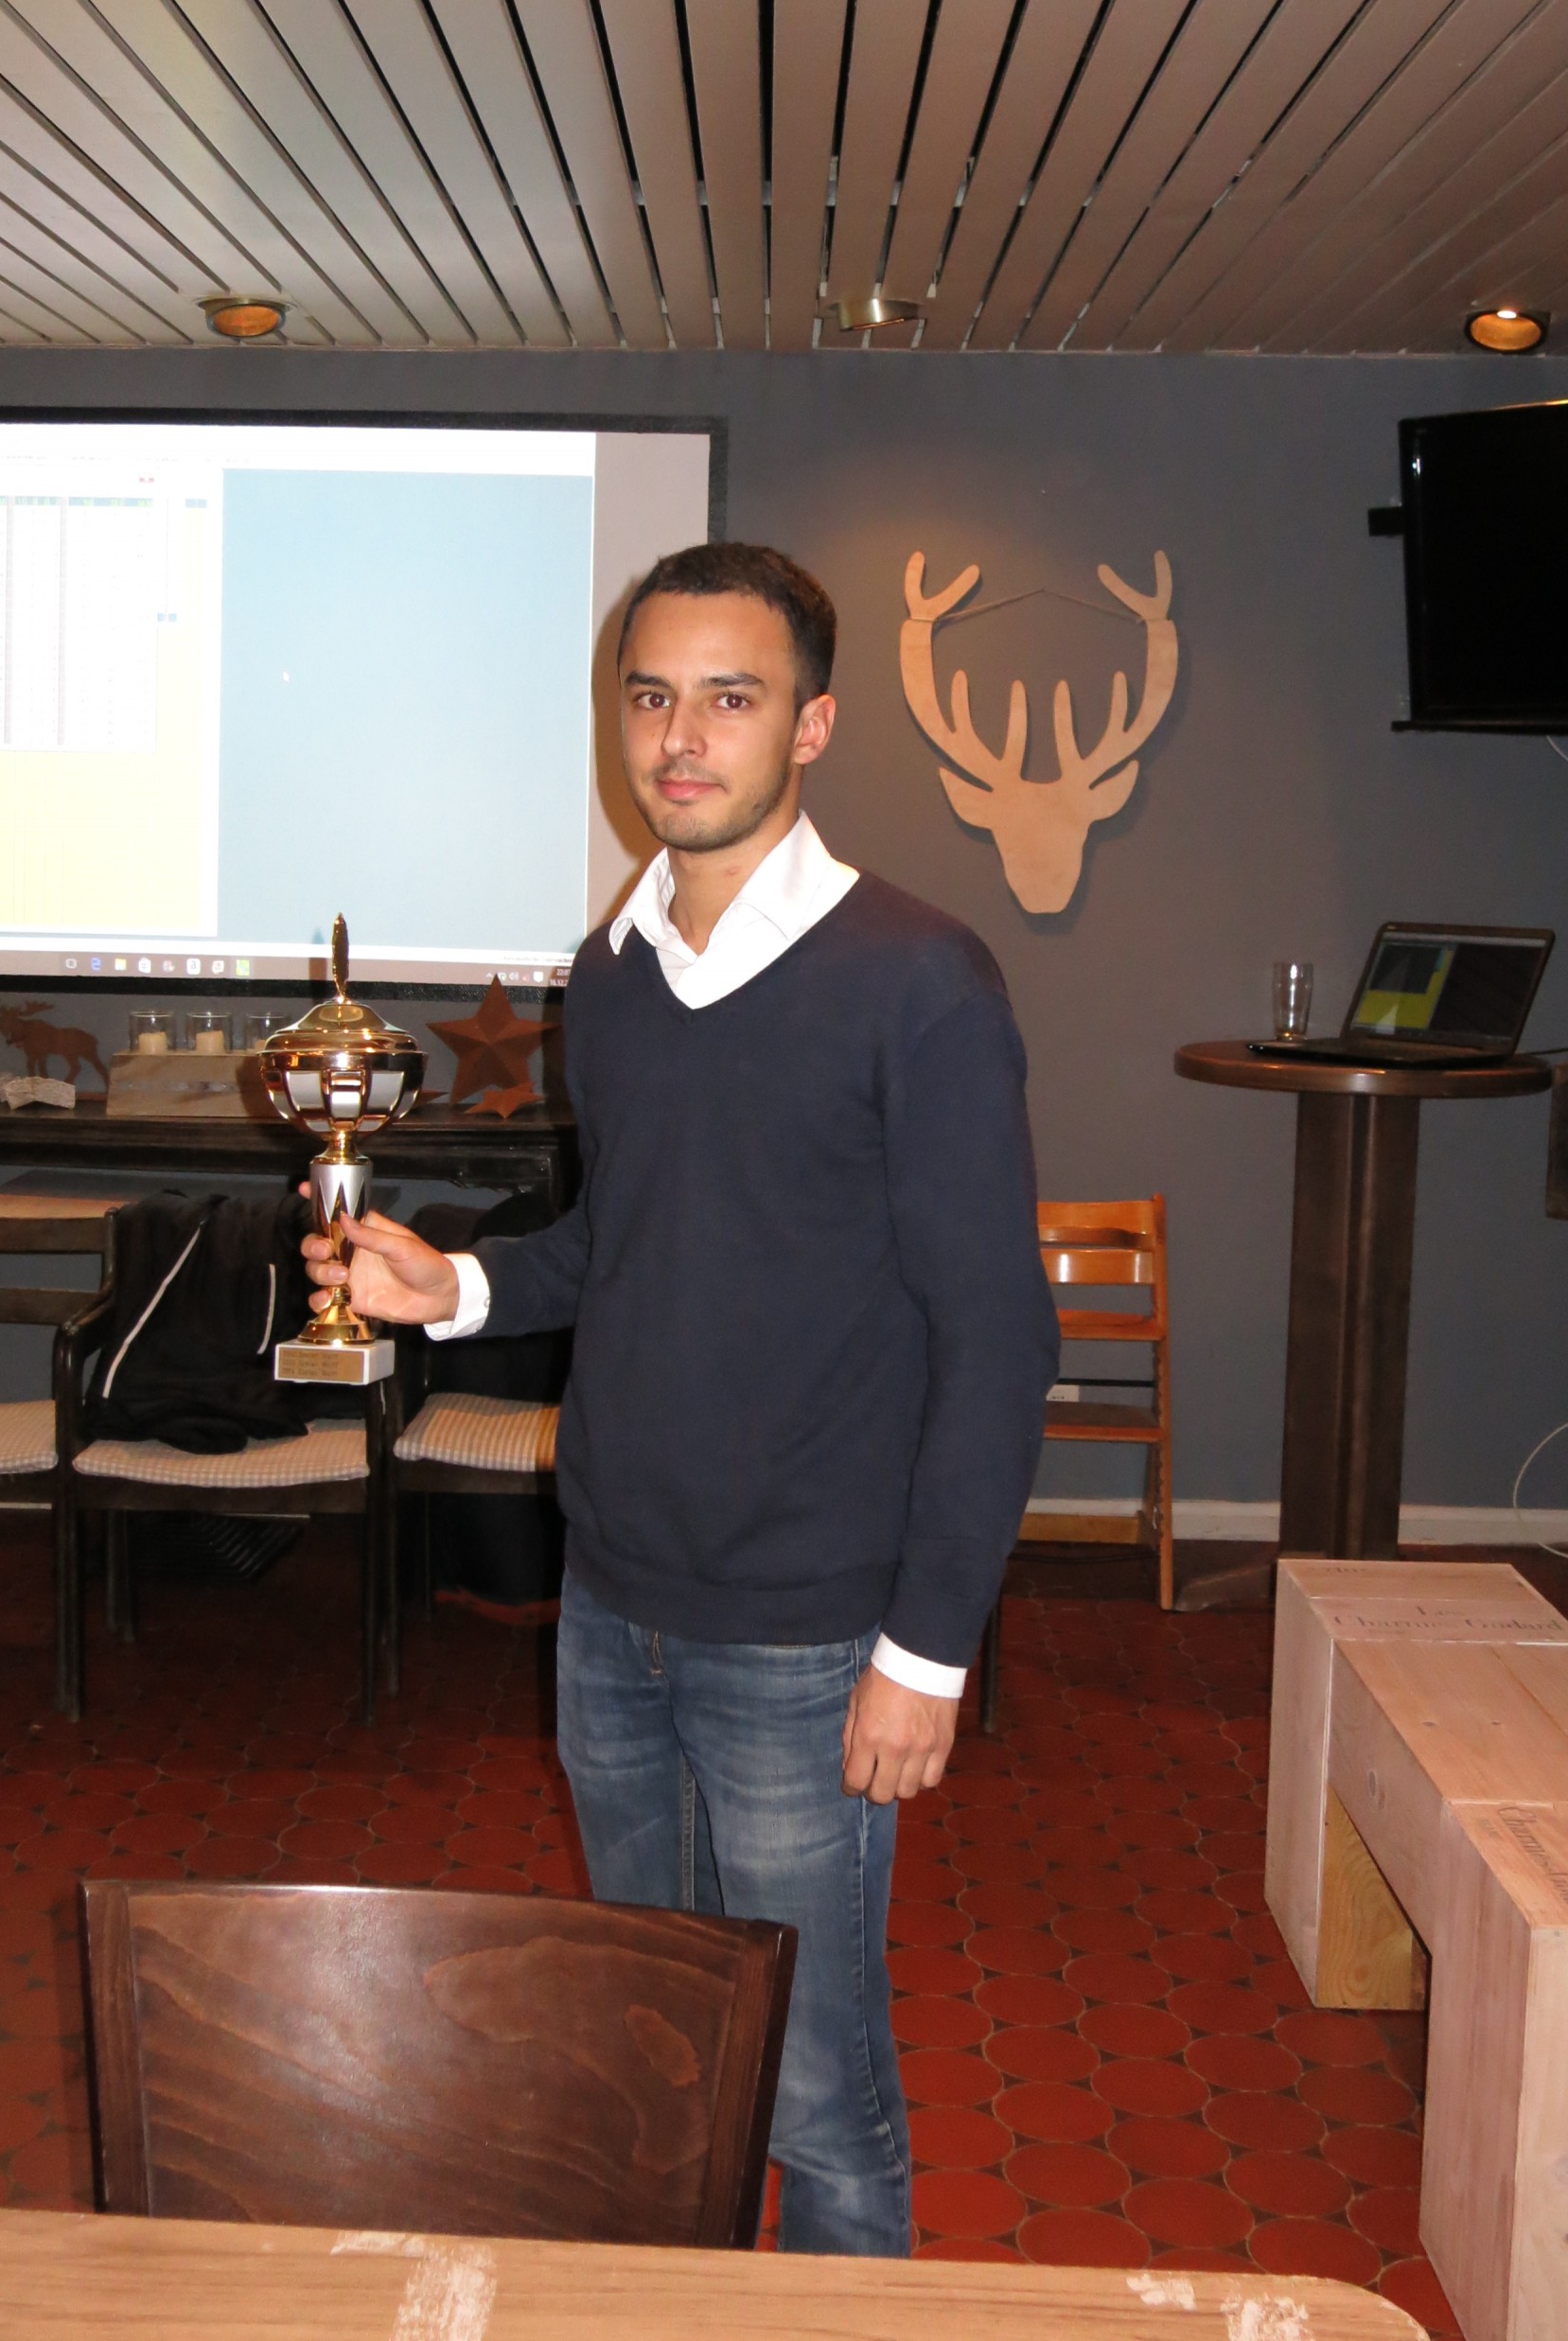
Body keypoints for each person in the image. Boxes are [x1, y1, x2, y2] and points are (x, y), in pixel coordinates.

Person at [304, 541, 1058, 2255]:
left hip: (807, 1639)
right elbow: (621, 1240)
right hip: (611, 1614)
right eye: (651, 697)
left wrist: (927, 1651)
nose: (680, 737)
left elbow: (997, 1333)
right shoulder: (614, 972)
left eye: (730, 697)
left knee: (817, 2097)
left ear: (812, 727)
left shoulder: (919, 979)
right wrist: (456, 1288)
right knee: (656, 2043)